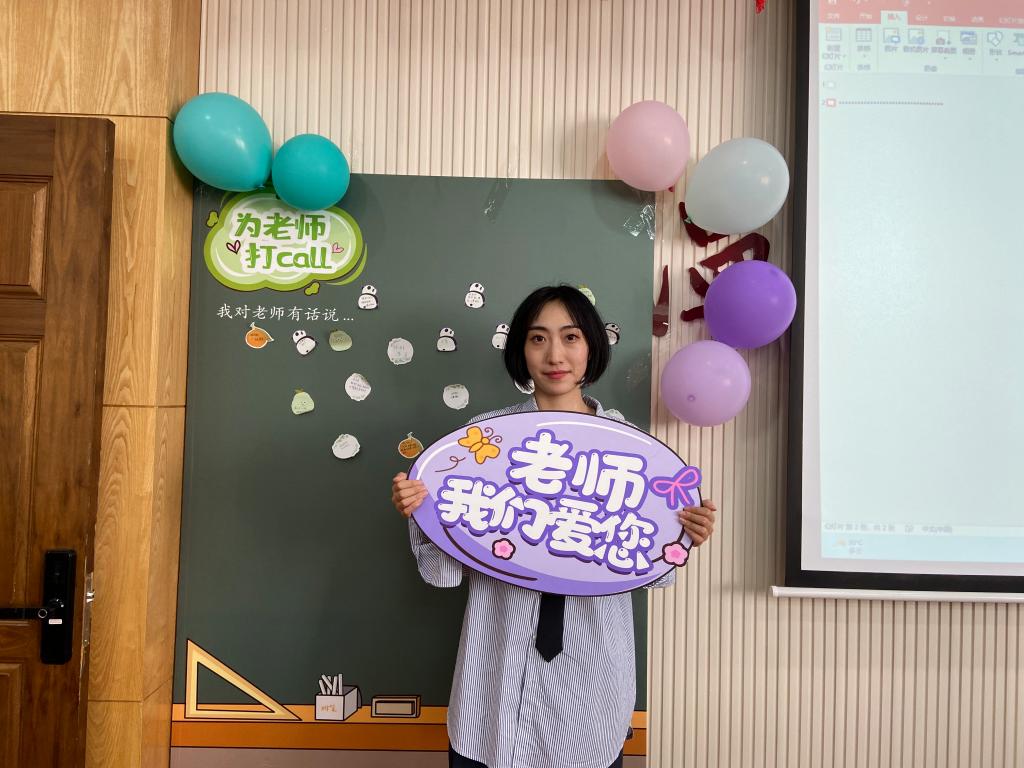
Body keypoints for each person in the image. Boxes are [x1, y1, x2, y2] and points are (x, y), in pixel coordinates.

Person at [391, 285, 717, 768]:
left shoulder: (633, 453)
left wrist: (686, 533)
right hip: (493, 689)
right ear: (521, 350)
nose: (555, 355)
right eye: (538, 338)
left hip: (592, 689)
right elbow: (444, 573)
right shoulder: (483, 440)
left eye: (570, 337)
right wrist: (424, 511)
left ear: (591, 346)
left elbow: (654, 573)